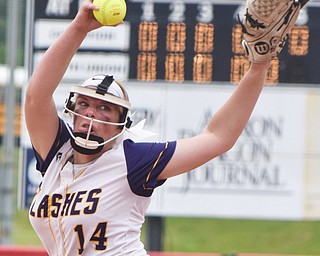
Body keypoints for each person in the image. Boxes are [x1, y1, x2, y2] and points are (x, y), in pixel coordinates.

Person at [24, 0, 306, 255]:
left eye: (104, 107)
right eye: (85, 104)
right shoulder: (55, 154)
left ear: (121, 123)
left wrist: (258, 67)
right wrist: (79, 27)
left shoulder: (131, 160)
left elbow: (218, 137)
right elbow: (36, 95)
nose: (91, 114)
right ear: (72, 110)